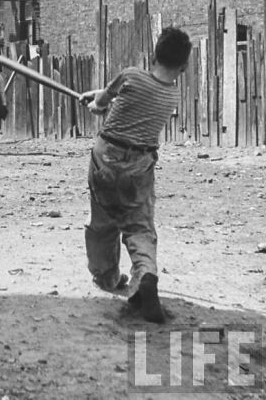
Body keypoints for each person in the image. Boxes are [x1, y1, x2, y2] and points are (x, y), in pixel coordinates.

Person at [79, 26, 191, 323]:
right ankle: (145, 276)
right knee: (139, 225)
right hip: (139, 164)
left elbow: (104, 102)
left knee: (103, 221)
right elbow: (131, 104)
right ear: (183, 66)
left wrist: (96, 103)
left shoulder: (130, 75)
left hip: (107, 158)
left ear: (154, 54)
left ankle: (107, 277)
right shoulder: (171, 95)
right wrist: (106, 100)